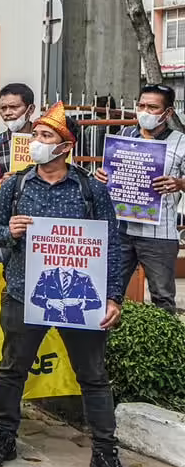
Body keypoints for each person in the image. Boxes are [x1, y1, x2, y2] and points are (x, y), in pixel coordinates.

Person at [0, 103, 131, 467]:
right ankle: (3, 439)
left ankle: (104, 451)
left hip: (82, 300)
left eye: (46, 137)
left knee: (94, 376)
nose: (36, 143)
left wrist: (114, 297)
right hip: (24, 293)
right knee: (13, 370)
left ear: (65, 147)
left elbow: (112, 244)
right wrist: (7, 232)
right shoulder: (15, 185)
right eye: (36, 136)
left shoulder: (91, 190)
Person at [97, 84, 185, 312]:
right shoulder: (123, 136)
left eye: (153, 107)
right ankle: (110, 344)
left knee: (162, 298)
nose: (145, 111)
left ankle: (164, 346)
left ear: (168, 113)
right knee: (108, 293)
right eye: (141, 105)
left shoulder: (180, 142)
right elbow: (107, 176)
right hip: (120, 230)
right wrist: (102, 175)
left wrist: (179, 183)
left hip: (160, 234)